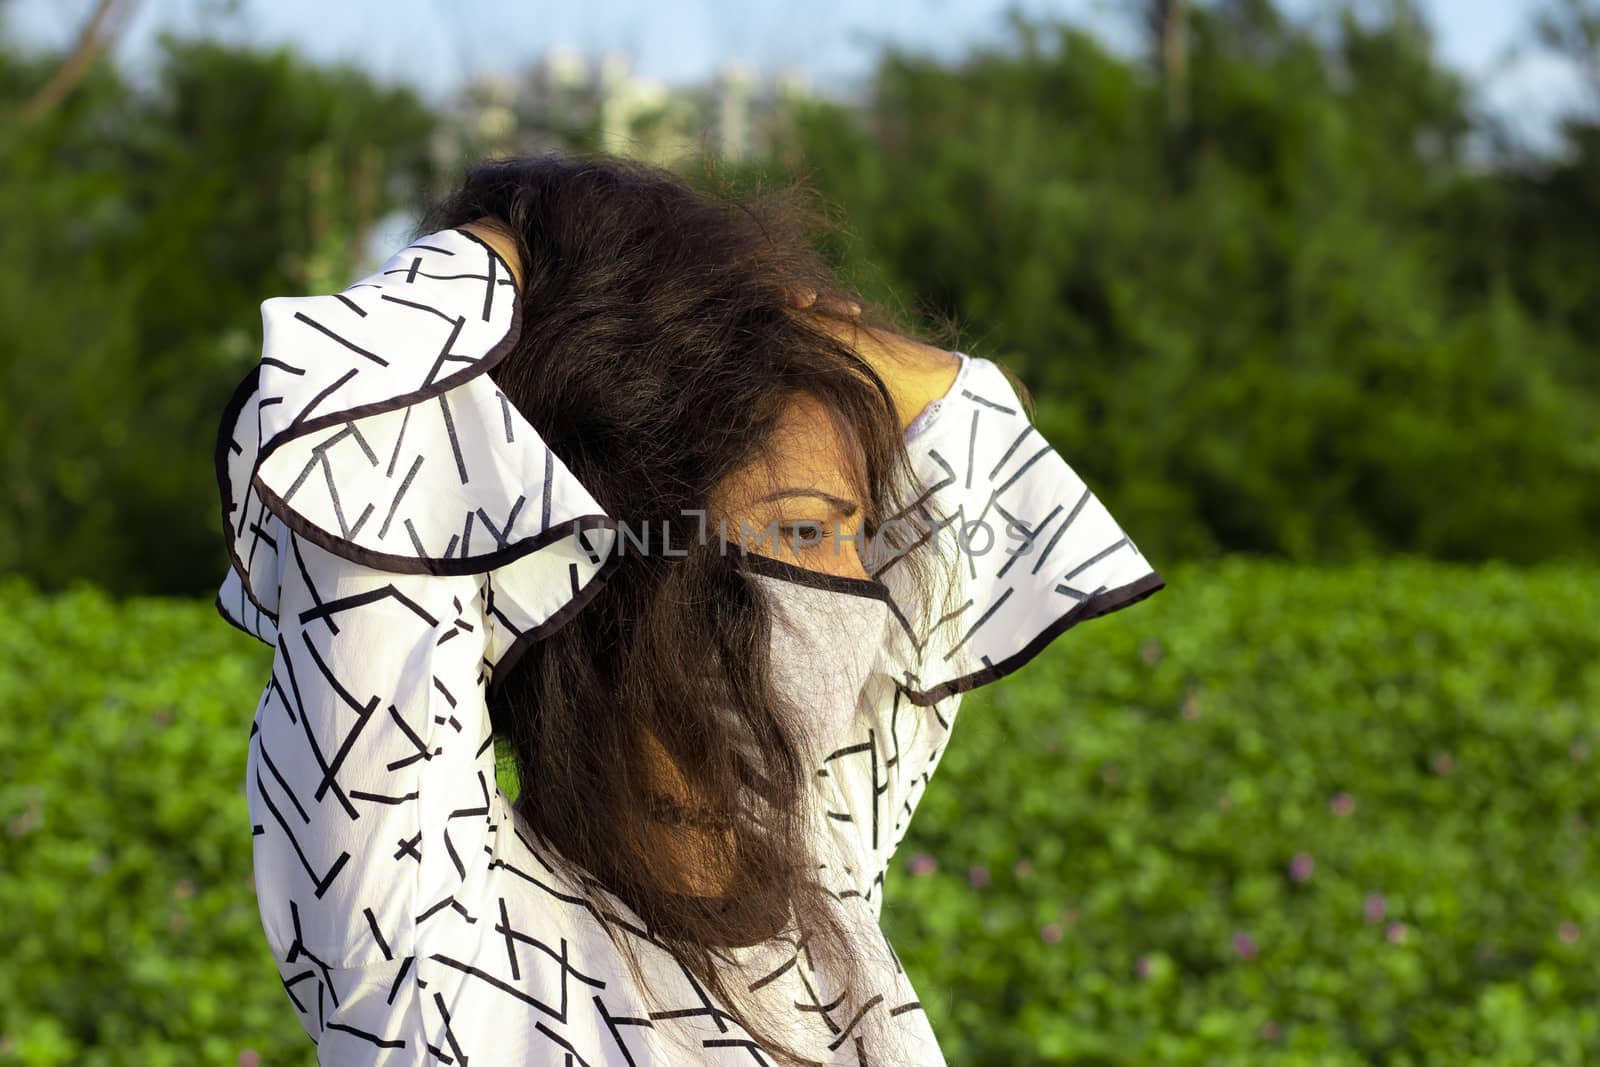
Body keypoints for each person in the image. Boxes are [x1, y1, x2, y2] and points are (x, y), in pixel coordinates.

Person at [214, 153, 1165, 1066]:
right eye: (801, 533)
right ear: (630, 565)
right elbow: (370, 412)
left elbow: (968, 430)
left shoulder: (826, 865)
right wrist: (534, 248)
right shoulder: (432, 936)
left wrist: (756, 316)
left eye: (857, 538)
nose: (864, 593)